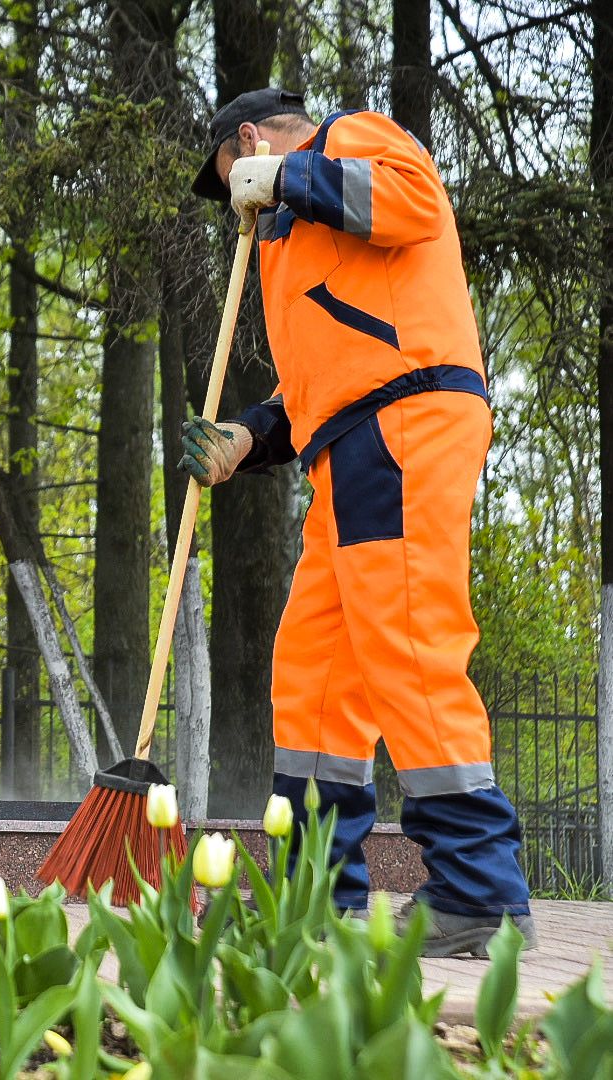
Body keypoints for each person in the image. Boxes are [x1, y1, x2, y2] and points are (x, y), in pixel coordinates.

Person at [181, 88, 534, 956]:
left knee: (407, 644)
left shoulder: (352, 139)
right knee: (314, 669)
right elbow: (313, 393)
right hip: (348, 445)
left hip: (406, 421)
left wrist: (286, 174)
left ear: (253, 143)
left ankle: (479, 893)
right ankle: (316, 887)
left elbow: (414, 202)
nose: (236, 199)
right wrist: (245, 437)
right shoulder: (287, 245)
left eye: (231, 175)